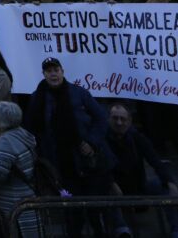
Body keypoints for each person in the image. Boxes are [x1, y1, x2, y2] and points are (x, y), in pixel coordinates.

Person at [24, 57, 114, 237]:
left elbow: (101, 119)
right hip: (59, 163)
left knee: (94, 211)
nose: (53, 74)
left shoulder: (79, 93)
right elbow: (31, 127)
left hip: (86, 161)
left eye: (56, 69)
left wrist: (91, 142)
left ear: (62, 71)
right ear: (43, 74)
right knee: (72, 214)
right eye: (49, 71)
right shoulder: (38, 97)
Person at [106, 102, 178, 238]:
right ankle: (122, 230)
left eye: (123, 119)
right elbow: (101, 167)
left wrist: (170, 182)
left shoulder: (137, 138)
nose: (119, 122)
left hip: (139, 184)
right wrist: (112, 184)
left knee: (164, 188)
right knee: (105, 191)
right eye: (115, 118)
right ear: (109, 119)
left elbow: (155, 161)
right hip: (114, 186)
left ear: (130, 121)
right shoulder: (102, 138)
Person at [0, 100, 38, 236]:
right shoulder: (22, 133)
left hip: (12, 201)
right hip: (25, 196)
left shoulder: (6, 141)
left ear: (3, 120)